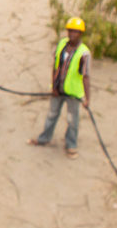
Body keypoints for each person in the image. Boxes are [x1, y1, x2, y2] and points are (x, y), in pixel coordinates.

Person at [28, 17, 92, 158]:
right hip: (58, 90)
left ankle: (71, 145)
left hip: (73, 94)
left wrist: (87, 99)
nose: (72, 34)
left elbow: (86, 77)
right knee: (51, 115)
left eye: (75, 32)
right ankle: (44, 138)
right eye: (70, 31)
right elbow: (56, 65)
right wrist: (54, 87)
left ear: (80, 34)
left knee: (72, 120)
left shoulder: (84, 53)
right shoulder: (62, 44)